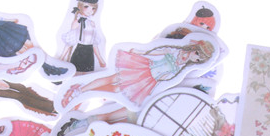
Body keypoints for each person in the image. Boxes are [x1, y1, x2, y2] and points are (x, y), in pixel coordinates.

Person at [60, 37, 217, 110]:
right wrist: (140, 52)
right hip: (143, 68)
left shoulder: (182, 69)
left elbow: (166, 79)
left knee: (117, 89)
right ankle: (80, 89)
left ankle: (85, 92)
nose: (196, 59)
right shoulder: (175, 51)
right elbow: (157, 52)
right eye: (198, 55)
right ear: (195, 49)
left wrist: (152, 88)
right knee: (112, 78)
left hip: (149, 81)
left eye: (199, 60)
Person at [57, 0, 106, 73]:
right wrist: (61, 58)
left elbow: (94, 44)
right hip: (79, 52)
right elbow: (69, 42)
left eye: (93, 8)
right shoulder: (77, 22)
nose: (90, 10)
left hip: (90, 54)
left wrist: (100, 59)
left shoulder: (92, 24)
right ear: (80, 6)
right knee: (76, 73)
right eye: (86, 7)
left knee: (87, 75)